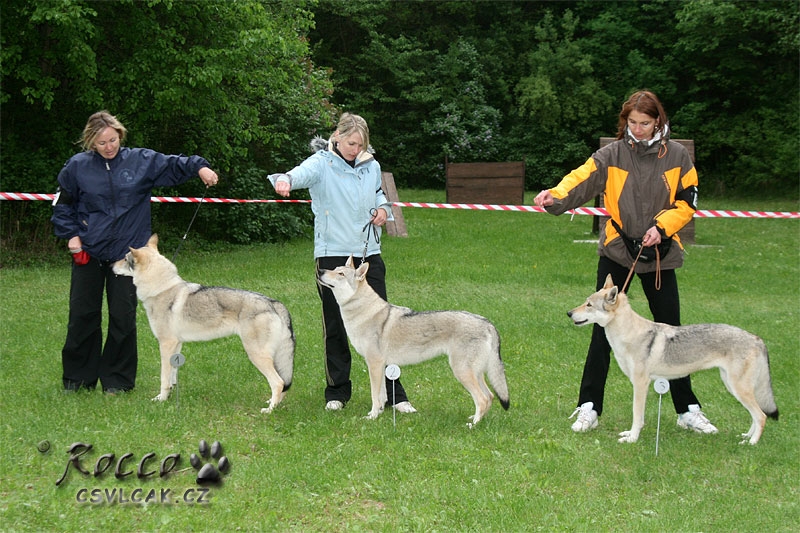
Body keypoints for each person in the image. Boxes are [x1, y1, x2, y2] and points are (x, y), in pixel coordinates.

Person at [534, 90, 718, 436]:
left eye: (645, 123)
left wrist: (662, 228)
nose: (638, 129)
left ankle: (687, 409)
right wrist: (554, 196)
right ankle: (589, 406)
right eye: (632, 122)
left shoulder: (677, 155)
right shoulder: (611, 154)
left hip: (661, 254)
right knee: (601, 329)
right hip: (618, 251)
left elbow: (688, 200)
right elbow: (580, 178)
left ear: (657, 121)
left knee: (673, 334)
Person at [51, 110, 219, 394]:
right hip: (88, 253)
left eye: (113, 140)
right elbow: (62, 204)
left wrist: (200, 167)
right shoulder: (77, 167)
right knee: (83, 315)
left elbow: (174, 165)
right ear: (91, 142)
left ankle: (117, 382)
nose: (109, 146)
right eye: (102, 142)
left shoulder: (140, 161)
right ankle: (78, 380)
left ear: (120, 136)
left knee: (122, 317)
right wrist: (72, 236)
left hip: (128, 257)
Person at [268, 112, 416, 414]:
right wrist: (285, 180)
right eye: (351, 143)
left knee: (384, 325)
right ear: (337, 136)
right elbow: (298, 174)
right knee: (335, 324)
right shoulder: (322, 163)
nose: (355, 149)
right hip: (333, 254)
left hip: (367, 255)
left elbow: (379, 194)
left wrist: (383, 210)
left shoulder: (371, 166)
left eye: (361, 145)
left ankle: (394, 393)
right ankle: (337, 390)